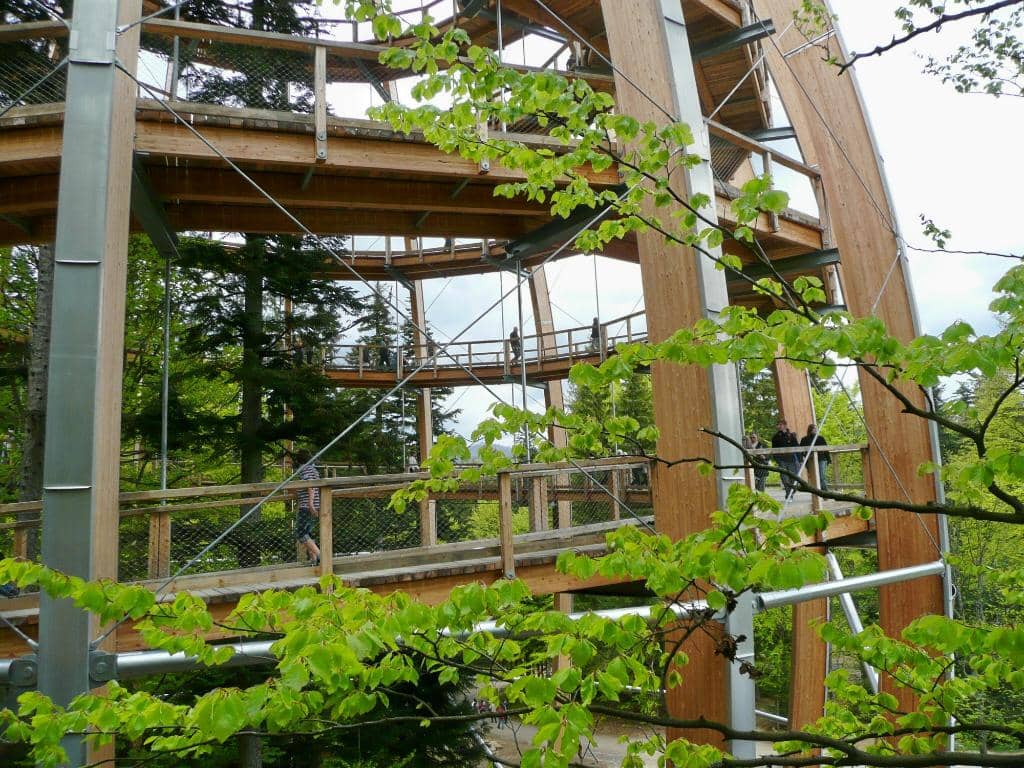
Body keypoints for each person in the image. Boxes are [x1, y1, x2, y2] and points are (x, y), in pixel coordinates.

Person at [293, 448, 322, 567]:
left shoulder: (305, 469)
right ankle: (314, 560)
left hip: (307, 506)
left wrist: (310, 504)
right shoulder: (313, 470)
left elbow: (310, 486)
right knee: (308, 533)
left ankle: (321, 556)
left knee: (301, 533)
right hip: (313, 504)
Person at [771, 418, 800, 500]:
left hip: (792, 460)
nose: (779, 426)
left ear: (785, 425)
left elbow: (797, 447)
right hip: (782, 460)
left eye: (780, 424)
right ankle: (789, 495)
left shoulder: (791, 435)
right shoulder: (775, 437)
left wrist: (800, 459)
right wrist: (778, 460)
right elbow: (774, 450)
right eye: (778, 425)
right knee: (785, 478)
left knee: (794, 479)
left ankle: (792, 492)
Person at [800, 423, 831, 491]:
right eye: (814, 428)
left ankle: (825, 492)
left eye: (816, 429)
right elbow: (801, 451)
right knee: (813, 477)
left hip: (821, 459)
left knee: (821, 476)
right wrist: (806, 456)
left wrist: (828, 459)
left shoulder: (820, 438)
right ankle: (817, 492)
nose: (816, 430)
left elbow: (825, 449)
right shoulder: (804, 439)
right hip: (810, 460)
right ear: (810, 430)